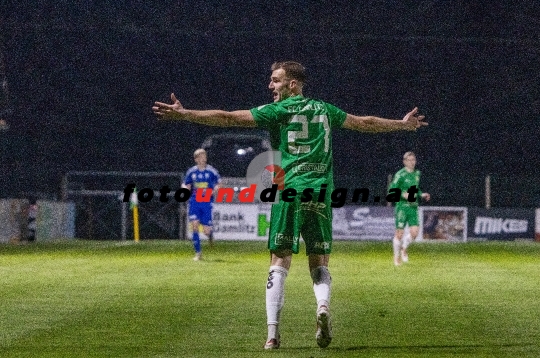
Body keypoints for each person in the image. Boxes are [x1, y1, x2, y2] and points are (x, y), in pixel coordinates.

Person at [153, 61, 427, 349]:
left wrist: (185, 114)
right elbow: (364, 122)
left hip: (290, 190)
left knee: (279, 260)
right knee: (319, 261)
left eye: (275, 81)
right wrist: (401, 124)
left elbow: (229, 117)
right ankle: (322, 307)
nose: (271, 86)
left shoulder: (279, 111)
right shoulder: (325, 109)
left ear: (292, 84)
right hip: (321, 192)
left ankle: (272, 335)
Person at [389, 151, 430, 266]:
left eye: (414, 160)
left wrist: (422, 194)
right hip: (402, 207)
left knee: (414, 233)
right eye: (410, 160)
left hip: (413, 207)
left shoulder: (417, 174)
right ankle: (396, 257)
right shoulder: (400, 174)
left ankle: (404, 248)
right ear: (404, 162)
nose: (412, 162)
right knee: (399, 234)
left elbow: (415, 189)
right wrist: (403, 194)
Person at [183, 148, 221, 261]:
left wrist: (215, 189)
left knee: (206, 230)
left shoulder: (211, 171)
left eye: (204, 156)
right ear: (196, 159)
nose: (203, 158)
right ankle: (198, 253)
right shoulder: (191, 172)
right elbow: (187, 184)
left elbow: (219, 182)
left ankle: (210, 235)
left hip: (206, 203)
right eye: (200, 157)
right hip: (194, 202)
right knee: (194, 225)